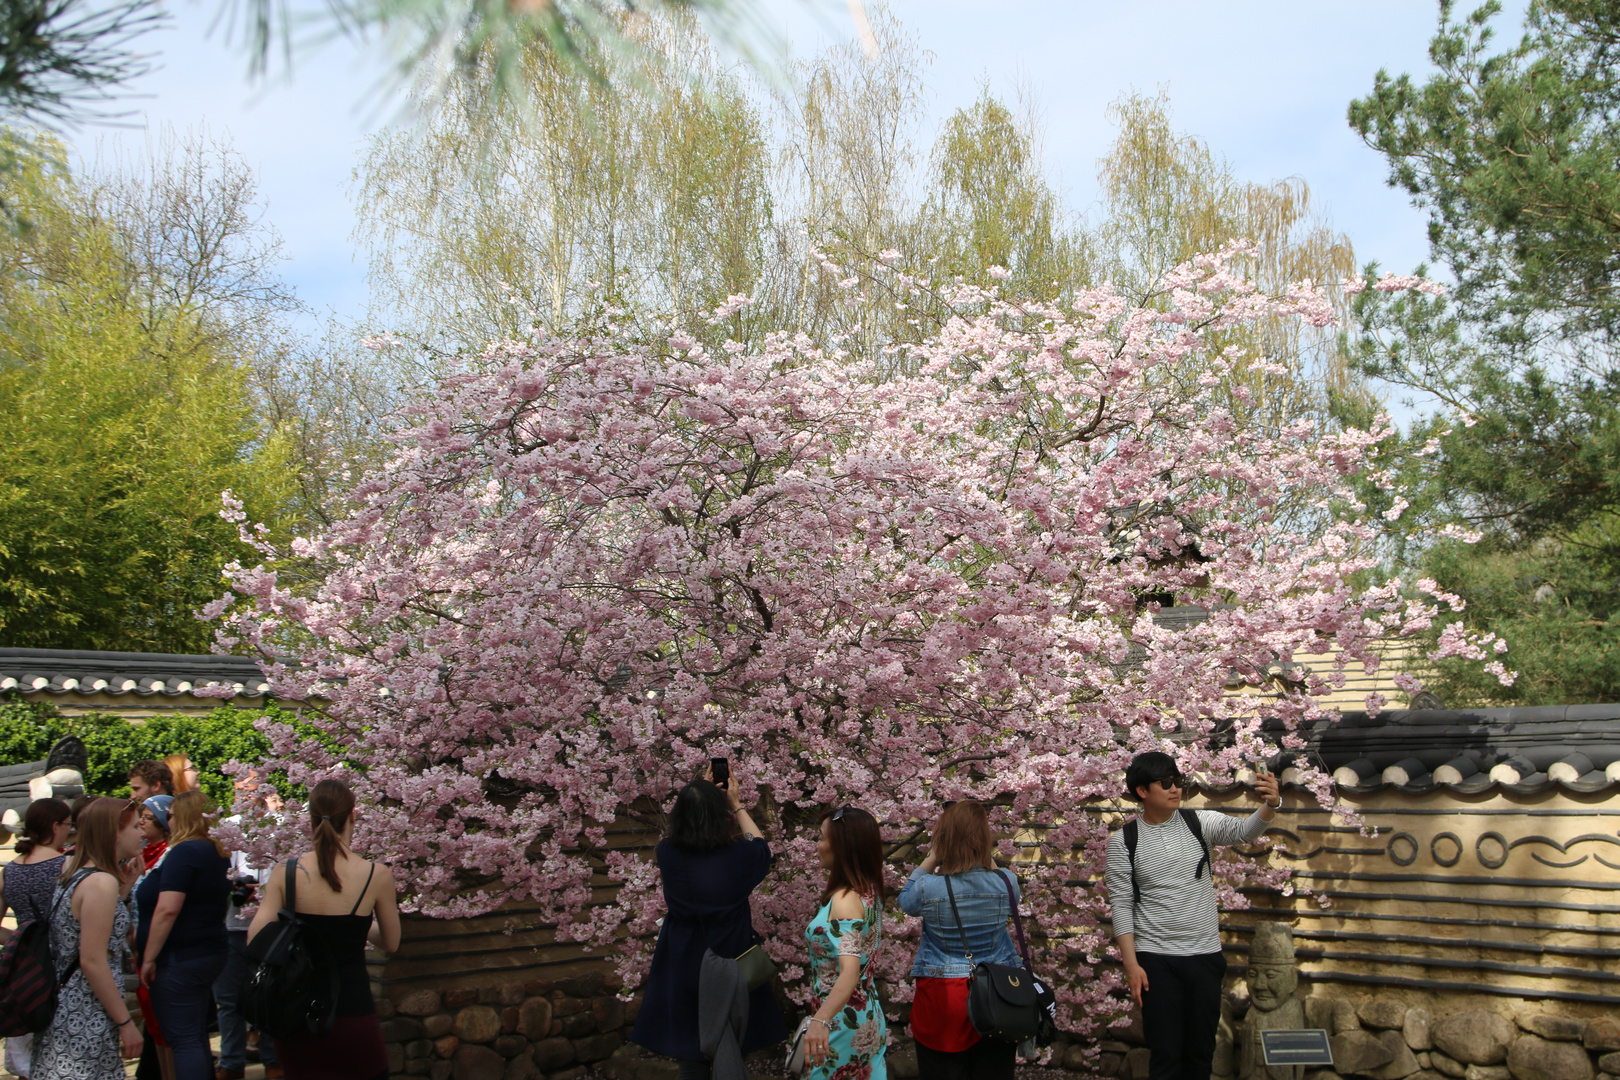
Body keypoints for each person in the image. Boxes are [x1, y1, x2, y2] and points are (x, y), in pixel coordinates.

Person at [1105, 752, 1281, 1080]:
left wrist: (1270, 805)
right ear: (1142, 791)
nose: (1175, 789)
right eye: (1166, 783)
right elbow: (1121, 905)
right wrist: (1132, 965)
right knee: (1166, 1056)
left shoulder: (1199, 822)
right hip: (1156, 959)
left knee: (1201, 1055)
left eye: (1179, 782)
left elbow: (1244, 831)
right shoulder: (1123, 842)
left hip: (1205, 957)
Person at [630, 773, 786, 1080]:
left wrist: (698, 791)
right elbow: (761, 847)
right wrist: (737, 804)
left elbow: (682, 832)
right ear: (721, 816)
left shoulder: (668, 853)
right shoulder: (740, 856)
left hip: (684, 961)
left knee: (691, 1050)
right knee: (733, 1040)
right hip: (732, 959)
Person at [246, 778, 400, 1080]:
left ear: (311, 819)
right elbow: (391, 943)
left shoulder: (285, 873)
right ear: (352, 816)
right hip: (352, 1012)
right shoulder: (375, 875)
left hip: (295, 1015)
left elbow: (255, 938)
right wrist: (358, 924)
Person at [897, 799, 1024, 1080]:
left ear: (943, 840)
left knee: (942, 1069)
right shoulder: (1006, 882)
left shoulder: (930, 887)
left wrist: (932, 856)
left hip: (943, 993)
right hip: (997, 993)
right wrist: (982, 851)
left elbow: (905, 901)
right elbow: (1000, 878)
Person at [32, 797, 146, 1080]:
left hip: (70, 1010)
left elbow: (86, 930)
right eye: (134, 826)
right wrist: (125, 1023)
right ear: (113, 832)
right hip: (85, 1014)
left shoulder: (77, 873)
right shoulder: (100, 882)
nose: (142, 832)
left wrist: (124, 889)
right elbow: (93, 959)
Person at [138, 792, 231, 1080]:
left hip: (179, 957)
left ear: (187, 817)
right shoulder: (215, 851)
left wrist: (149, 958)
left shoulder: (185, 852)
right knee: (195, 1036)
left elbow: (168, 909)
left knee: (183, 1039)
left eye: (173, 814)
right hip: (206, 951)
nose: (170, 820)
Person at [800, 807, 887, 1080]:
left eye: (822, 838)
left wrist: (819, 1020)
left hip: (841, 1019)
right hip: (863, 1013)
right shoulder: (868, 889)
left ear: (842, 847)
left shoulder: (846, 899)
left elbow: (849, 972)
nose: (817, 846)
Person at [214, 779, 284, 1080]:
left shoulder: (281, 826)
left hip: (269, 925)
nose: (245, 794)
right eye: (239, 788)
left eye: (251, 788)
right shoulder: (225, 827)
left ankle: (272, 1058)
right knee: (228, 998)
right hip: (233, 924)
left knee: (268, 994)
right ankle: (231, 1062)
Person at [0, 798, 72, 1079]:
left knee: (26, 1055)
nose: (69, 831)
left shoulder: (11, 870)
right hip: (62, 969)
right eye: (67, 825)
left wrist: (19, 938)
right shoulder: (65, 866)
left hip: (24, 970)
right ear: (55, 826)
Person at [138, 795, 173, 872]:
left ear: (162, 824)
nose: (140, 821)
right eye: (141, 816)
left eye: (148, 818)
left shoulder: (168, 854)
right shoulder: (143, 850)